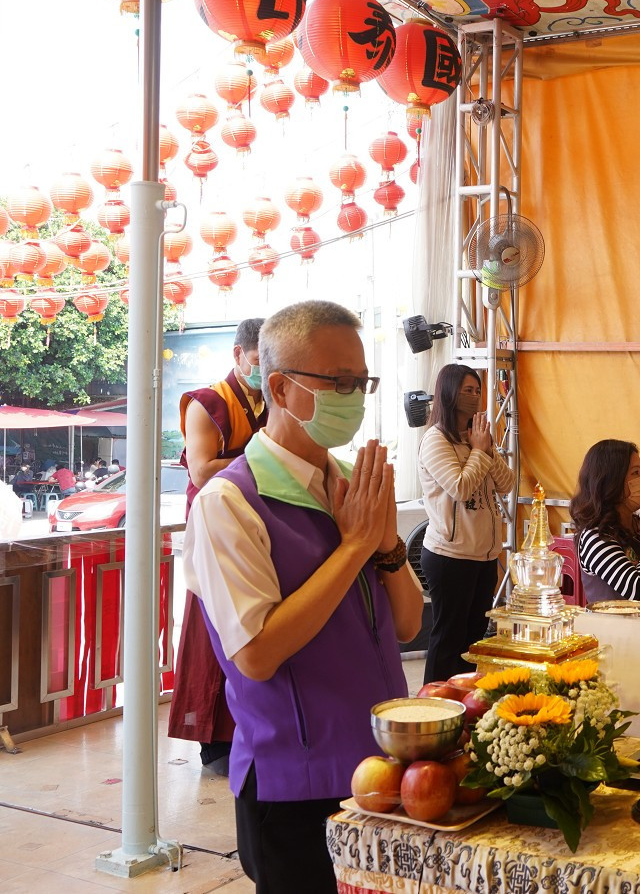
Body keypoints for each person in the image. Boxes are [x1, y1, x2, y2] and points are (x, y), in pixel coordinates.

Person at [182, 300, 422, 893]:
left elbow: (410, 625)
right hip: (296, 782)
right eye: (338, 382)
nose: (354, 397)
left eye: (361, 382)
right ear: (280, 388)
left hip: (382, 769)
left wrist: (386, 546)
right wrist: (353, 547)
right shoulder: (230, 502)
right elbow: (257, 654)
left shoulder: (347, 482)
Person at [169, 318, 269, 774]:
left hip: (258, 527)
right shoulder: (207, 402)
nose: (263, 371)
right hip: (213, 526)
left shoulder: (270, 401)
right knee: (213, 629)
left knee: (254, 625)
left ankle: (253, 727)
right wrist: (262, 457)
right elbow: (201, 471)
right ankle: (213, 740)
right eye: (256, 361)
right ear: (237, 354)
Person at [416, 363, 515, 684]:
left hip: (484, 557)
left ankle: (463, 705)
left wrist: (486, 449)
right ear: (449, 394)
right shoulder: (435, 440)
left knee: (472, 642)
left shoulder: (477, 438)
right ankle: (434, 706)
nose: (474, 397)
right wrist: (479, 452)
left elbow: (507, 483)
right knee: (448, 640)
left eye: (477, 391)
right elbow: (460, 487)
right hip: (449, 556)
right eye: (467, 391)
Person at [568, 439, 640, 618]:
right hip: (615, 642)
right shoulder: (595, 536)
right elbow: (639, 596)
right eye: (635, 473)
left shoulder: (639, 526)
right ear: (611, 482)